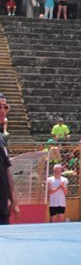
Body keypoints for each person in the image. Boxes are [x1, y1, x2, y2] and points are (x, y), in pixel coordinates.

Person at [0, 94, 20, 225]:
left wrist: (14, 199)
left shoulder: (2, 139)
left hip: (2, 207)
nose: (2, 110)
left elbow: (7, 170)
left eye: (5, 107)